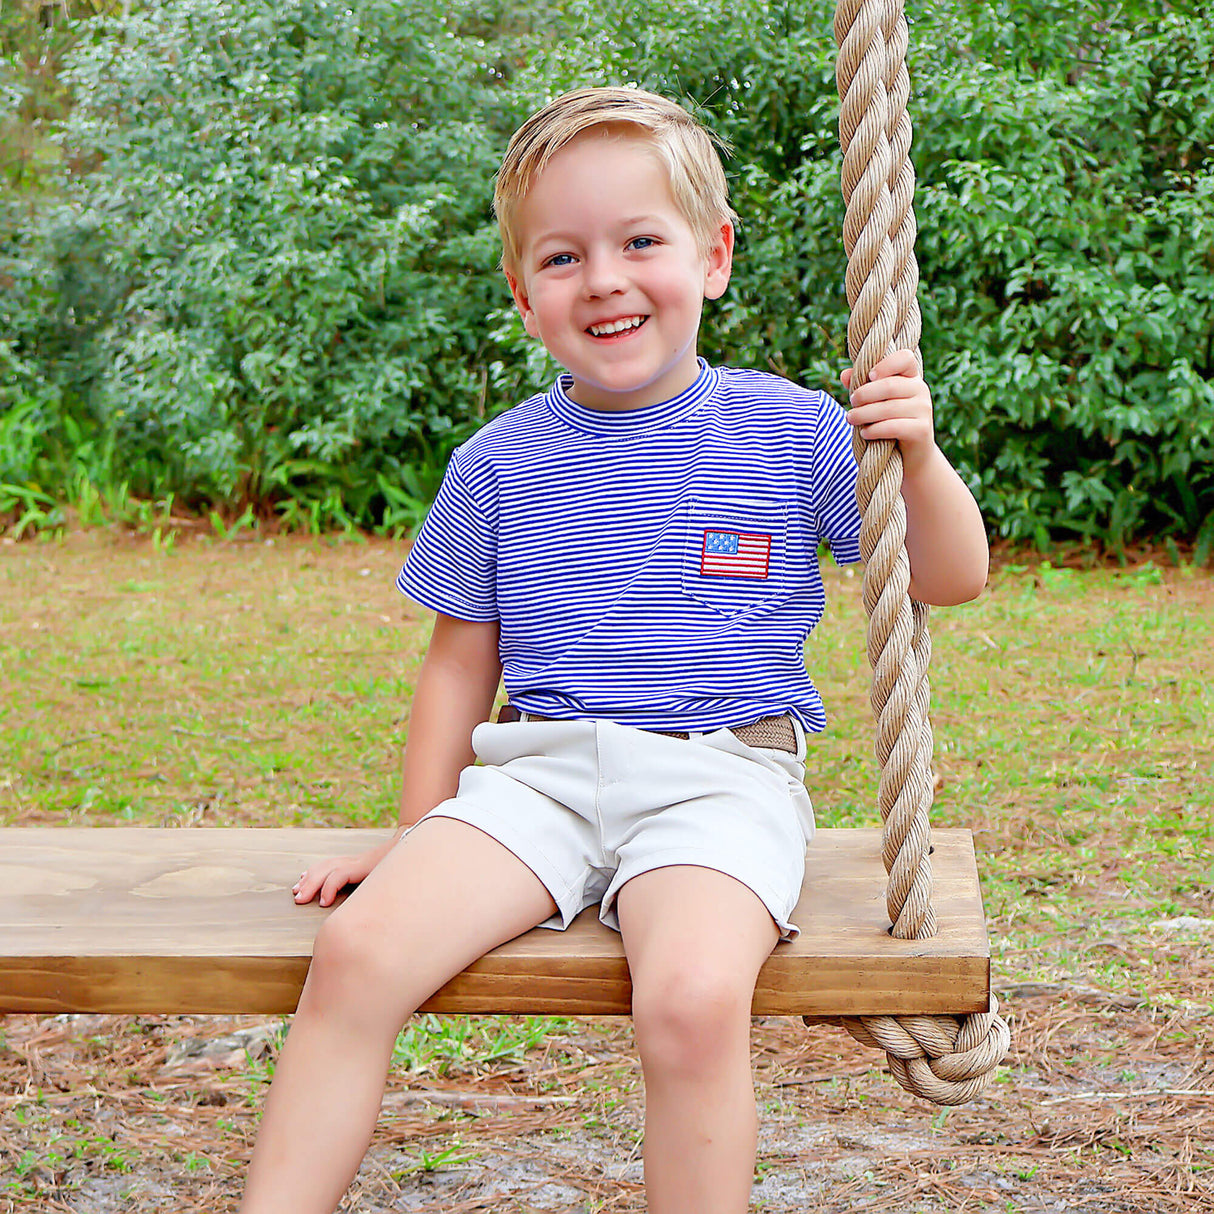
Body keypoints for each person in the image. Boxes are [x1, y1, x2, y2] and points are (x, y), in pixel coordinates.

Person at [238, 86, 989, 1214]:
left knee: (688, 997)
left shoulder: (789, 431)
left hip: (719, 775)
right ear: (522, 294)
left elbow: (949, 575)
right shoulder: (495, 462)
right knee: (354, 957)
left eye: (641, 241)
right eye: (561, 256)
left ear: (712, 255)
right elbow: (457, 665)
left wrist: (916, 459)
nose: (603, 279)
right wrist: (414, 831)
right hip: (535, 774)